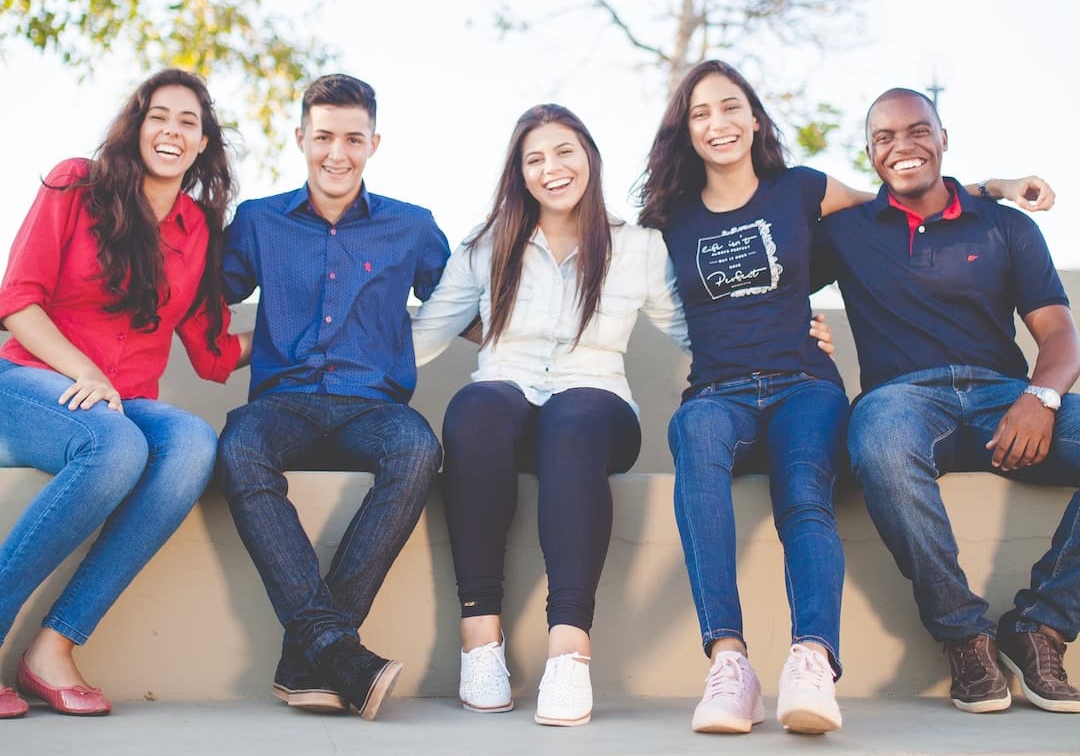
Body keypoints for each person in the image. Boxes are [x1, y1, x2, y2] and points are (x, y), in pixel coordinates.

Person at [636, 60, 1044, 737]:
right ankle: (730, 663)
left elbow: (903, 197)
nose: (719, 123)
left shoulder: (801, 189)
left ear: (755, 118)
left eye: (731, 106)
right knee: (695, 440)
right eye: (701, 113)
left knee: (804, 492)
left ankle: (813, 659)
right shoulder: (666, 219)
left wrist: (993, 187)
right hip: (717, 391)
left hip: (804, 383)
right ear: (685, 130)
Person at [410, 103, 769, 726]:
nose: (552, 168)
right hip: (506, 403)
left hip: (596, 409)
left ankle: (569, 651)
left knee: (572, 422)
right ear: (520, 174)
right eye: (535, 158)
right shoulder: (486, 245)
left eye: (564, 151)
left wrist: (788, 341)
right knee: (474, 408)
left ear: (590, 157)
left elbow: (698, 330)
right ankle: (480, 639)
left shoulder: (637, 248)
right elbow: (425, 334)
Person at [815, 87, 1080, 714]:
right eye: (884, 137)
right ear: (871, 153)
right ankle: (965, 636)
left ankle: (1040, 626)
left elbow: (1059, 332)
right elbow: (768, 261)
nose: (902, 146)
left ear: (942, 137)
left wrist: (1041, 397)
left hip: (1006, 399)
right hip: (901, 401)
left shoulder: (1005, 225)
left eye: (916, 131)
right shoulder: (846, 232)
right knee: (877, 442)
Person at [0, 69, 247, 720]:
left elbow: (212, 349)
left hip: (122, 401)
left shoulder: (198, 229)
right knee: (114, 446)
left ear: (202, 143)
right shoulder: (75, 183)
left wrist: (312, 335)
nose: (171, 129)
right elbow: (17, 302)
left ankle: (53, 647)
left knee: (193, 442)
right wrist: (84, 370)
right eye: (158, 115)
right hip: (30, 378)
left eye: (188, 121)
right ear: (137, 126)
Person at [216, 73, 450, 721]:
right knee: (238, 446)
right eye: (324, 136)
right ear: (300, 137)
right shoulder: (259, 220)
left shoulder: (413, 226)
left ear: (375, 141)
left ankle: (313, 653)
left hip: (373, 406)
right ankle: (338, 651)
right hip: (281, 403)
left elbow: (470, 299)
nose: (337, 153)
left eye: (353, 137)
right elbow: (203, 293)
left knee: (417, 448)